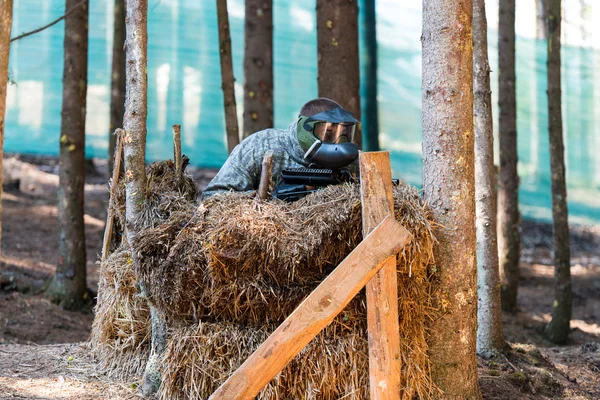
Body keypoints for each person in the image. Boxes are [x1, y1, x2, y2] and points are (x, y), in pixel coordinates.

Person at [202, 98, 360, 198]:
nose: (339, 142)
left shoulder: (352, 163)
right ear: (305, 130)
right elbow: (212, 197)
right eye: (329, 133)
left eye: (345, 133)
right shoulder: (261, 145)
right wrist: (267, 198)